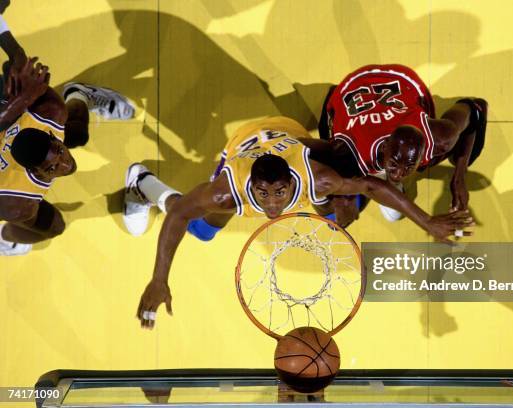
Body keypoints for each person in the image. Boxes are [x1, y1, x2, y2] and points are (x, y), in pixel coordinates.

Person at [123, 116, 474, 328]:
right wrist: (159, 278)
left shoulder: (313, 177)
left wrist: (427, 222)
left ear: (293, 182)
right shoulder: (226, 192)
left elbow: (370, 184)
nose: (273, 204)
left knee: (338, 209)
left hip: (289, 132)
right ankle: (141, 182)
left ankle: (364, 190)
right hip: (244, 140)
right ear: (253, 190)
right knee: (200, 229)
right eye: (264, 196)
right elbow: (180, 214)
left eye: (280, 194)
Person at [313, 64, 487, 223]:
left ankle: (393, 174)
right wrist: (341, 200)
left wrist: (459, 177)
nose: (399, 174)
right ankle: (335, 92)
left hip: (401, 81)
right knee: (336, 218)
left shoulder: (440, 138)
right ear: (384, 147)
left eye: (409, 166)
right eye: (394, 164)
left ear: (425, 149)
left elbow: (473, 109)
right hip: (352, 86)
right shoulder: (351, 152)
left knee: (465, 154)